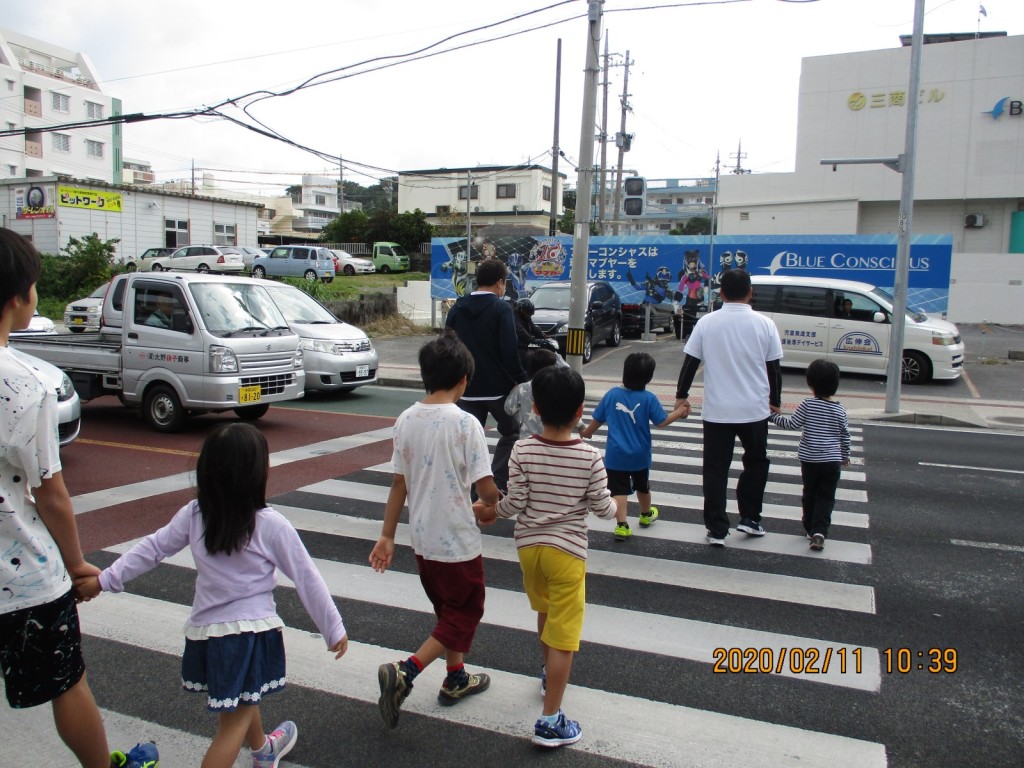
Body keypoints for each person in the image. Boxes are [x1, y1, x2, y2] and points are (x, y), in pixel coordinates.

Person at [76, 422, 348, 768]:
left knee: (243, 699)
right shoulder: (270, 524)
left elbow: (153, 548)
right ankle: (257, 750)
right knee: (230, 727)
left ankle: (264, 749)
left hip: (209, 636)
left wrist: (105, 579)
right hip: (250, 636)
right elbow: (306, 577)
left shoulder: (195, 515)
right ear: (256, 474)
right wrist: (333, 627)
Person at [0, 228, 158, 768]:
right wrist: (74, 564)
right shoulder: (25, 385)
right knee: (67, 682)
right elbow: (50, 492)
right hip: (22, 576)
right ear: (20, 296)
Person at [475, 365, 616, 749]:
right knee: (565, 637)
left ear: (534, 408)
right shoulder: (589, 456)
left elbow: (515, 502)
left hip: (529, 549)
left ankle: (545, 673)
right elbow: (603, 509)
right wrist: (612, 505)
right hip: (567, 551)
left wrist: (491, 512)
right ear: (579, 411)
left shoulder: (522, 448)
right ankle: (551, 720)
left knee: (544, 612)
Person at [369, 331, 499, 729]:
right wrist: (494, 504)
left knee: (448, 612)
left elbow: (398, 484)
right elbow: (485, 487)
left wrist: (387, 535)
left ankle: (456, 677)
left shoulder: (406, 420)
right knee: (466, 610)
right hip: (457, 540)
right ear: (464, 380)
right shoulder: (465, 424)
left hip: (422, 540)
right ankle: (406, 670)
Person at [675, 268, 784, 546]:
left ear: (721, 293)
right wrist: (776, 401)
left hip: (717, 411)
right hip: (755, 410)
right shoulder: (765, 324)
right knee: (756, 463)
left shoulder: (707, 323)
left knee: (715, 469)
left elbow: (690, 363)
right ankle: (750, 518)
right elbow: (774, 368)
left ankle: (717, 528)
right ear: (750, 292)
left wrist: (681, 396)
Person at [580, 352, 689, 541]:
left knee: (619, 491)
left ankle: (622, 525)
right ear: (648, 377)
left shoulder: (612, 395)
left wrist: (585, 432)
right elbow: (661, 421)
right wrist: (679, 412)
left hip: (616, 456)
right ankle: (646, 515)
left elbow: (594, 424)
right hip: (640, 455)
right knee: (643, 487)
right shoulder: (649, 398)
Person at [444, 258, 528, 492]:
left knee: (468, 439)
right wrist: (521, 380)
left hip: (465, 388)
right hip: (498, 390)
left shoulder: (458, 307)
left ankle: (469, 488)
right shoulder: (501, 309)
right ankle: (497, 483)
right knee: (511, 431)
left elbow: (446, 346)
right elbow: (509, 351)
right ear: (500, 283)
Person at [768, 359, 851, 551]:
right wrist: (844, 455)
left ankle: (809, 526)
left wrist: (771, 416)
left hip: (810, 460)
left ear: (810, 385)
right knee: (826, 496)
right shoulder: (840, 409)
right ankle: (819, 531)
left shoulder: (808, 405)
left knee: (810, 493)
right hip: (831, 461)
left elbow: (791, 424)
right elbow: (845, 435)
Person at [505, 347, 560, 437]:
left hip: (527, 440)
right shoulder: (558, 386)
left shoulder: (523, 387)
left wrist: (512, 391)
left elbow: (509, 410)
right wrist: (581, 427)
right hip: (551, 438)